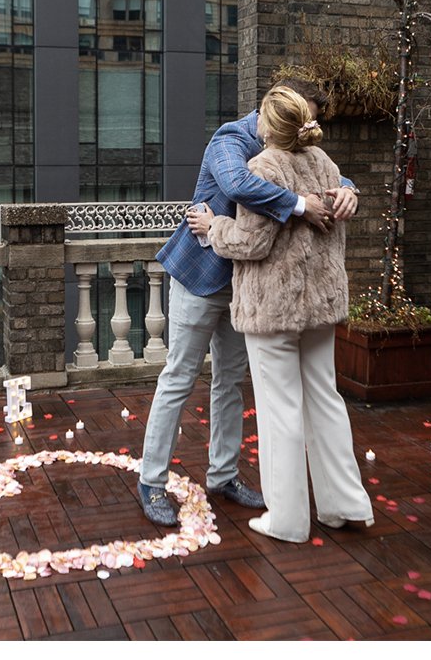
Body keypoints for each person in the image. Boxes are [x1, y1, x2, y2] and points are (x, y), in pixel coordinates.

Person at [135, 78, 358, 527]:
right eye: (301, 117)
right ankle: (151, 481)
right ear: (276, 109)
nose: (306, 128)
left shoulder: (288, 148)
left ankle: (223, 476)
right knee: (179, 377)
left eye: (310, 120)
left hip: (245, 290)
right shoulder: (230, 139)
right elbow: (239, 184)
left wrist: (349, 187)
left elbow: (317, 169)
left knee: (230, 383)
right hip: (200, 279)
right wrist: (299, 205)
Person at [187, 85, 376, 543]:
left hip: (274, 308)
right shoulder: (326, 165)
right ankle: (344, 505)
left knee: (281, 410)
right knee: (326, 401)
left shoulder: (264, 166)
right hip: (320, 304)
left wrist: (214, 227)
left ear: (270, 125)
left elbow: (251, 244)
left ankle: (287, 519)